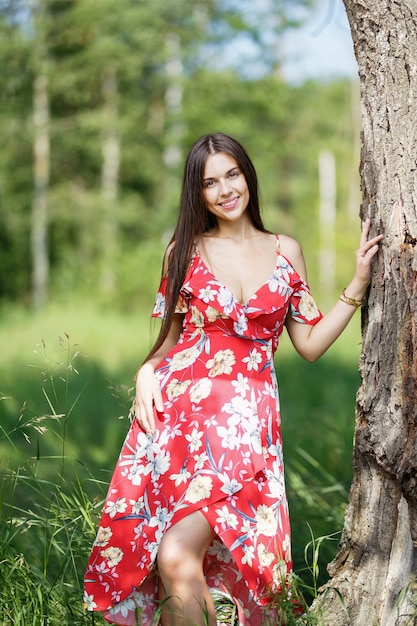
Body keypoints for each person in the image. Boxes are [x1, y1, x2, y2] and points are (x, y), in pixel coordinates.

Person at [83, 132, 382, 626]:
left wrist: (357, 284)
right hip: (178, 425)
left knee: (180, 556)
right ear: (196, 193)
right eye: (209, 182)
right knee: (177, 563)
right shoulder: (182, 251)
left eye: (232, 175)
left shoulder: (285, 250)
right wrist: (144, 372)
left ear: (248, 176)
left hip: (245, 429)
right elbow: (169, 340)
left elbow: (307, 344)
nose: (224, 190)